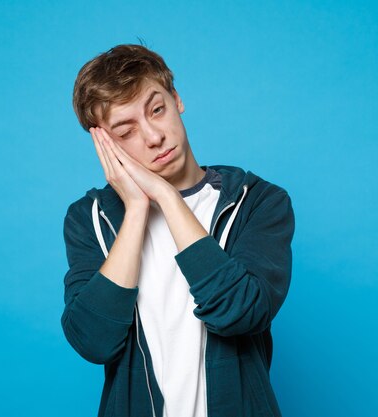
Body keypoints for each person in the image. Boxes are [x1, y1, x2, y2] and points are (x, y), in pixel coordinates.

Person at [61, 44, 295, 417]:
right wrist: (137, 208)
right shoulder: (90, 218)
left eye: (157, 110)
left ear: (177, 99)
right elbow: (93, 340)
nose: (154, 136)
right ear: (104, 144)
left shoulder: (257, 201)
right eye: (126, 131)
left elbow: (241, 311)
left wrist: (168, 199)